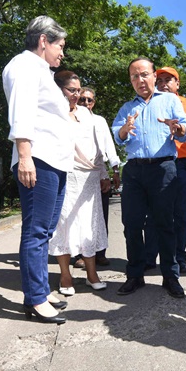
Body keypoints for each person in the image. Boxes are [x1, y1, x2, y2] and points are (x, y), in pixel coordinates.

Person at [2, 16, 74, 325]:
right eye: (60, 45)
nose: (62, 53)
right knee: (35, 230)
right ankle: (34, 299)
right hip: (39, 159)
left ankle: (41, 292)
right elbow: (21, 110)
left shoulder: (40, 70)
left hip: (54, 161)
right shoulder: (25, 66)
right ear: (43, 41)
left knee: (45, 230)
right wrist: (25, 155)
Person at [111, 58, 186, 299]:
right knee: (132, 224)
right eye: (134, 76)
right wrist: (124, 129)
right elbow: (118, 135)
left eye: (144, 74)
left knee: (165, 223)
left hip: (163, 168)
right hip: (134, 171)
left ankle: (170, 276)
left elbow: (185, 130)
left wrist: (177, 129)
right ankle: (135, 275)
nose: (140, 80)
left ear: (154, 76)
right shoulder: (126, 108)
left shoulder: (169, 100)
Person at [144, 66, 186, 272]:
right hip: (156, 165)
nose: (164, 83)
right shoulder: (149, 103)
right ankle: (149, 257)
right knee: (154, 213)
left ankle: (179, 257)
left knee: (181, 214)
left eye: (169, 80)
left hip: (183, 165)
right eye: (160, 80)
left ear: (177, 84)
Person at [48, 71, 109, 296]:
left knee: (89, 225)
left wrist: (104, 173)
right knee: (64, 224)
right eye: (72, 91)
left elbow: (99, 147)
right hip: (65, 175)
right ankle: (65, 276)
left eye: (78, 91)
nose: (76, 95)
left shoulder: (87, 115)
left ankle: (92, 274)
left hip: (90, 179)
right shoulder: (52, 111)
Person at [76, 86, 120, 266]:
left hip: (99, 174)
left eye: (89, 100)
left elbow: (109, 146)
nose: (86, 103)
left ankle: (100, 253)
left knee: (100, 215)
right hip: (76, 173)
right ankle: (80, 254)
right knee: (78, 216)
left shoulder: (100, 121)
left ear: (94, 102)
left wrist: (115, 170)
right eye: (82, 99)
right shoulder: (69, 119)